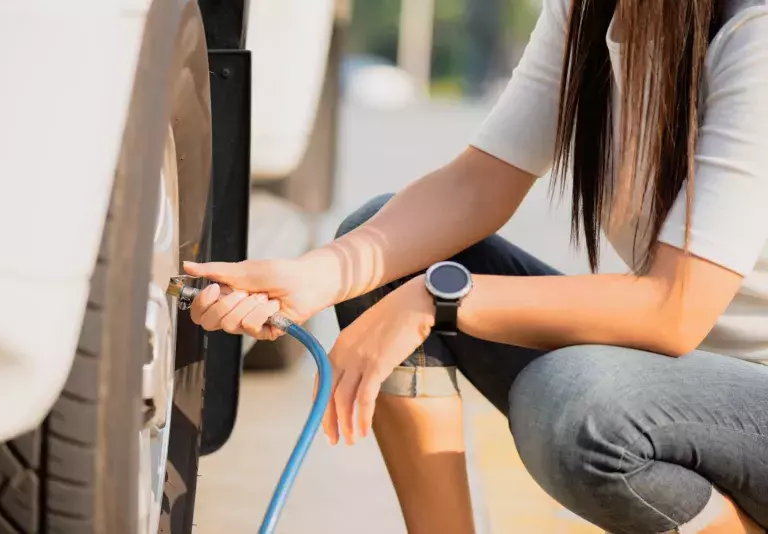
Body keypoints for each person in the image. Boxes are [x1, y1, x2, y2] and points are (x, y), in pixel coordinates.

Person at [184, 0, 768, 532]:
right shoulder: (590, 12)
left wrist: (436, 301)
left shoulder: (754, 31)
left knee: (575, 407)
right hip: (690, 382)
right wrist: (313, 277)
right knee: (383, 253)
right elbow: (478, 184)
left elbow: (673, 308)